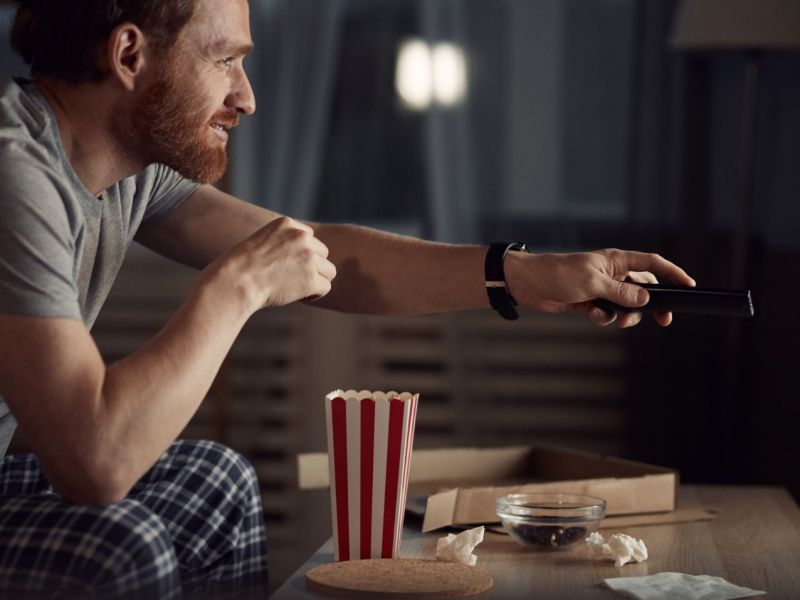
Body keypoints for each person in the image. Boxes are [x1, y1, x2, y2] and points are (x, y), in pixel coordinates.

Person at [0, 0, 695, 597]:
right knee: (124, 544)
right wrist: (234, 287)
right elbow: (95, 463)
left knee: (218, 481)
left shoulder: (123, 170)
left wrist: (522, 275)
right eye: (225, 61)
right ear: (129, 54)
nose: (246, 97)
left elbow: (323, 257)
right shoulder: (15, 174)